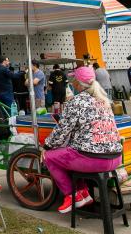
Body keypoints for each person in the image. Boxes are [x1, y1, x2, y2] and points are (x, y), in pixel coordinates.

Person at [42, 66, 123, 214]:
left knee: (50, 157)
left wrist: (46, 146)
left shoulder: (77, 101)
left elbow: (62, 130)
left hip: (94, 159)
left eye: (73, 79)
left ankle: (71, 195)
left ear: (78, 83)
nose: (72, 82)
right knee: (69, 155)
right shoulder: (103, 99)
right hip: (116, 157)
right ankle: (83, 192)